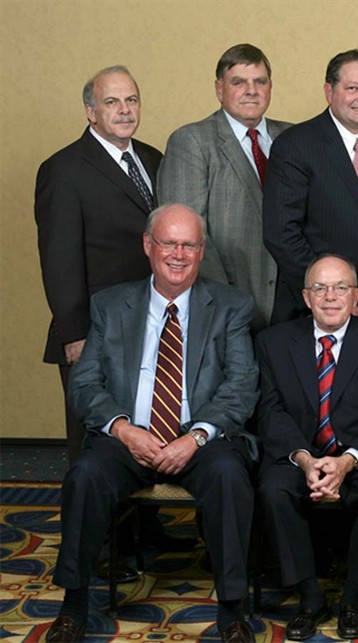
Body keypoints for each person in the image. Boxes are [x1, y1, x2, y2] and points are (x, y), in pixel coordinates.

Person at [45, 204, 259, 643]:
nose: (178, 254)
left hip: (200, 436)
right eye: (168, 243)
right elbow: (84, 385)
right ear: (148, 245)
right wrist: (124, 430)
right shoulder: (110, 305)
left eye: (189, 245)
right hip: (129, 433)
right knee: (84, 476)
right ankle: (73, 605)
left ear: (201, 251)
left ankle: (232, 610)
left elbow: (241, 386)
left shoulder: (232, 307)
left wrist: (197, 437)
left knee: (229, 477)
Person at [256, 255, 358, 640]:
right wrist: (306, 460)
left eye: (340, 287)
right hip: (301, 451)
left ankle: (353, 598)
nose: (330, 296)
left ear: (355, 295)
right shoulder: (274, 342)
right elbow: (271, 413)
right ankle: (310, 597)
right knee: (273, 490)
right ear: (306, 297)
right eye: (320, 288)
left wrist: (346, 462)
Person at [35, 65, 161, 463]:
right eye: (112, 102)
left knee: (142, 436)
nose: (124, 110)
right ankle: (91, 528)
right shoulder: (64, 169)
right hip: (93, 332)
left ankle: (143, 528)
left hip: (151, 325)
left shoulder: (152, 158)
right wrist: (75, 334)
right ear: (91, 112)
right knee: (93, 447)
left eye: (131, 100)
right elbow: (59, 259)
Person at [159, 43, 292, 331]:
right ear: (220, 89)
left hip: (298, 302)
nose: (251, 90)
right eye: (238, 82)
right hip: (233, 304)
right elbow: (189, 236)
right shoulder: (192, 141)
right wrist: (225, 306)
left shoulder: (294, 137)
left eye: (260, 81)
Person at [264, 49, 358, 322]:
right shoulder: (296, 145)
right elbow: (281, 234)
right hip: (317, 307)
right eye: (353, 88)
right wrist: (333, 293)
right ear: (329, 91)